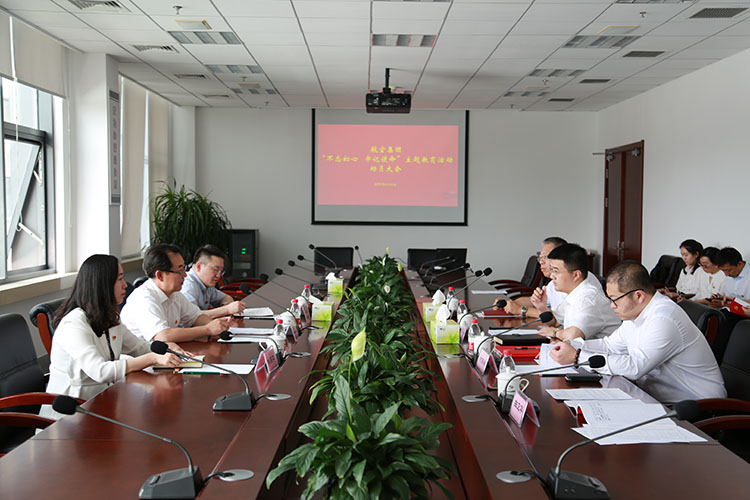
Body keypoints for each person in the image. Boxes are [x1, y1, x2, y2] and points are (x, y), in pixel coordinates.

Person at [550, 261, 726, 404]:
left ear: (639, 296)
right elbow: (609, 346)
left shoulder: (663, 318)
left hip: (695, 406)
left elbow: (635, 367)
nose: (612, 306)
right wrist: (572, 344)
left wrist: (577, 356)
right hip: (654, 398)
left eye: (615, 299)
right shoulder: (635, 314)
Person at [40, 254, 186, 420]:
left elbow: (139, 347)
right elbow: (100, 371)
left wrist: (167, 349)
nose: (125, 285)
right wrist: (153, 358)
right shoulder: (73, 324)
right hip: (71, 415)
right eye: (119, 279)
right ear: (102, 284)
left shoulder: (108, 317)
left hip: (103, 403)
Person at [121, 244, 233, 342]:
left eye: (184, 268)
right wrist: (207, 329)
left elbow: (196, 317)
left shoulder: (175, 295)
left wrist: (218, 328)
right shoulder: (143, 298)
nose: (185, 275)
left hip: (166, 355)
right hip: (143, 359)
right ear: (159, 275)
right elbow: (163, 336)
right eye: (179, 271)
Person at [538, 243, 620, 341]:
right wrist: (541, 307)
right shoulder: (574, 294)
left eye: (555, 271)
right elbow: (555, 322)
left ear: (576, 275)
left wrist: (555, 333)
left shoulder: (587, 299)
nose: (552, 276)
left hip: (600, 351)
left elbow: (573, 336)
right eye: (551, 270)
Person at [495, 237, 567, 319]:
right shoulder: (552, 284)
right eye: (540, 258)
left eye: (545, 257)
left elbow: (558, 318)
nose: (541, 262)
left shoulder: (569, 284)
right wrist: (509, 304)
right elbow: (531, 301)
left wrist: (521, 310)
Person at [181, 244, 245, 318]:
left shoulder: (206, 284)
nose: (218, 275)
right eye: (215, 270)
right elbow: (192, 316)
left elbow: (226, 298)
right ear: (199, 266)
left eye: (221, 271)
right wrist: (226, 309)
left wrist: (225, 306)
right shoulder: (188, 287)